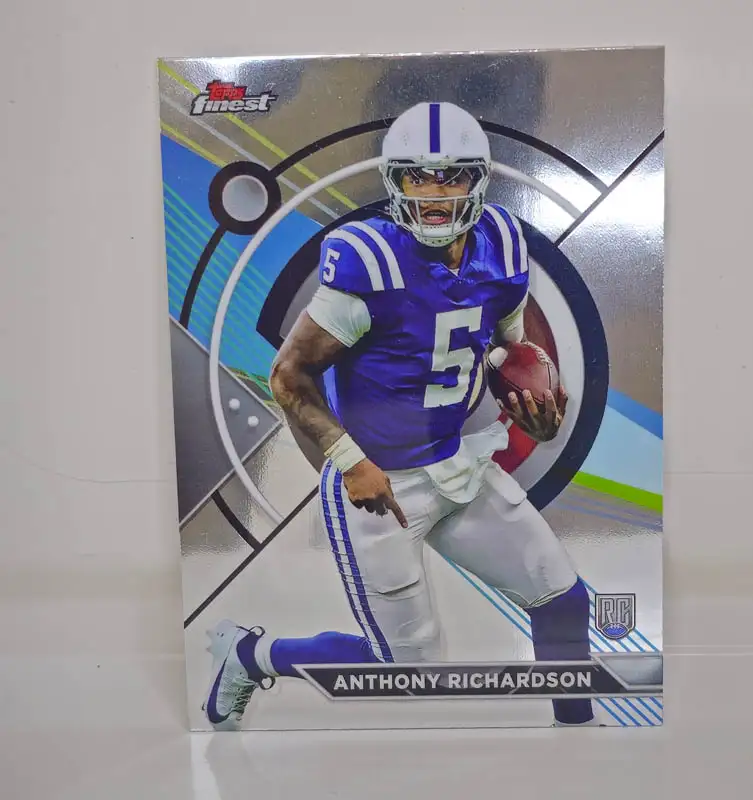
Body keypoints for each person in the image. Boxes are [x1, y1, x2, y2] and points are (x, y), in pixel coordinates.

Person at [203, 101, 597, 730]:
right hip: (380, 487)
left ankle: (578, 734)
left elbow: (507, 351)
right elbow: (288, 375)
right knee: (407, 673)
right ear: (395, 182)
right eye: (417, 177)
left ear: (478, 181)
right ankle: (248, 655)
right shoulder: (372, 263)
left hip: (456, 463)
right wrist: (350, 461)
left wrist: (532, 410)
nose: (434, 194)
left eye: (451, 177)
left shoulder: (501, 248)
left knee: (562, 597)